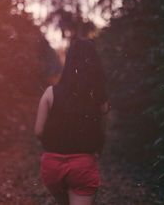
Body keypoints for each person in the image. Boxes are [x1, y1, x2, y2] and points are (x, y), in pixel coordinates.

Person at [35, 38, 110, 205]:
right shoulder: (98, 96)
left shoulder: (49, 93)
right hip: (83, 166)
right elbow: (102, 131)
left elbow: (38, 131)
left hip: (52, 166)